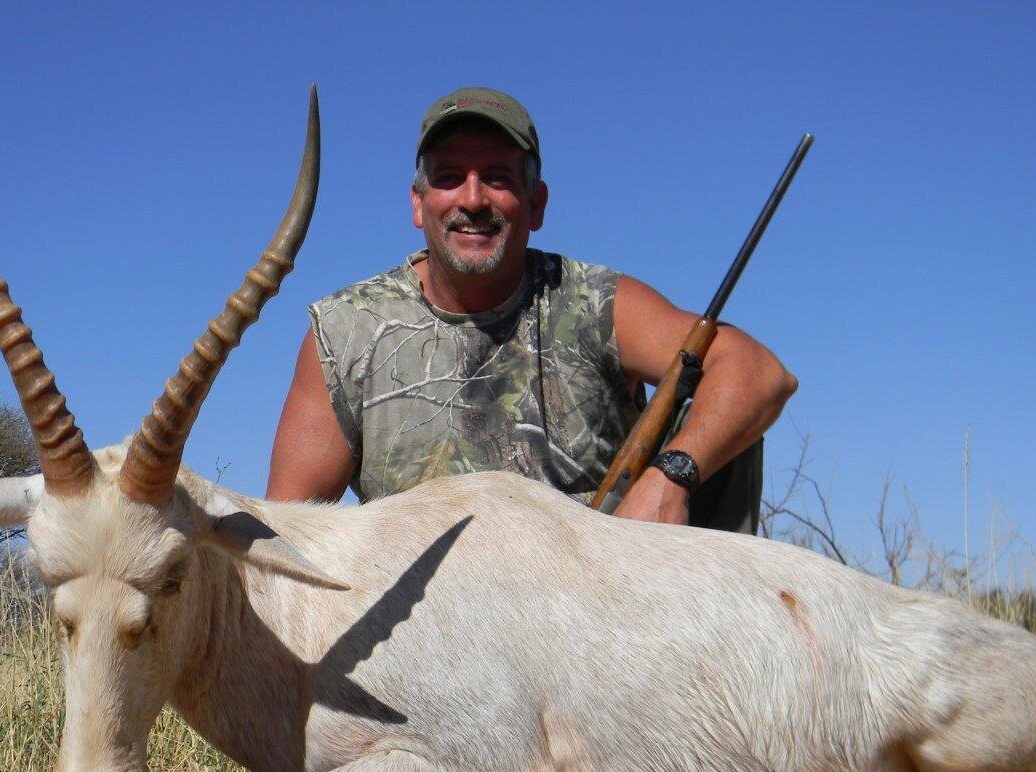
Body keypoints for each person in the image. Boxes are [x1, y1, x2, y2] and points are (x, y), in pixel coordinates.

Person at [266, 87, 797, 530]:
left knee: (712, 422)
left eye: (497, 177)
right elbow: (286, 534)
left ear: (537, 204)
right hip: (429, 634)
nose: (472, 199)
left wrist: (669, 477)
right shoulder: (346, 331)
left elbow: (760, 372)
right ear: (417, 202)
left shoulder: (591, 300)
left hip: (599, 608)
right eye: (449, 177)